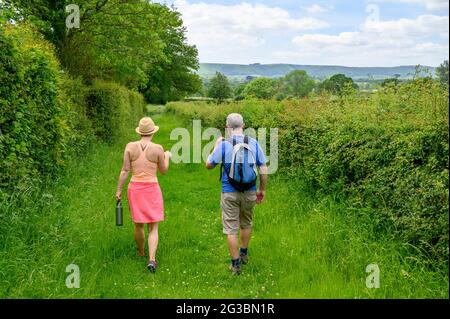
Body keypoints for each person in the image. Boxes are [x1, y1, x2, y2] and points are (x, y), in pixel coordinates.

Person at [206, 113, 268, 275]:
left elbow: (209, 165)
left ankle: (235, 265)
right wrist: (262, 189)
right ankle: (244, 253)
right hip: (249, 190)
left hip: (229, 192)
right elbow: (263, 168)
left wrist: (216, 145)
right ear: (244, 125)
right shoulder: (253, 143)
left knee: (231, 228)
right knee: (246, 222)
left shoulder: (225, 145)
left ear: (227, 127)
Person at [116, 117, 171, 273]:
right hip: (152, 188)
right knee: (153, 226)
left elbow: (125, 170)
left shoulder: (129, 147)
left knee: (138, 224)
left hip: (135, 188)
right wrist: (167, 156)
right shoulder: (158, 149)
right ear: (153, 132)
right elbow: (163, 170)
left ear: (140, 132)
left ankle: (141, 251)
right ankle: (152, 259)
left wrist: (119, 190)